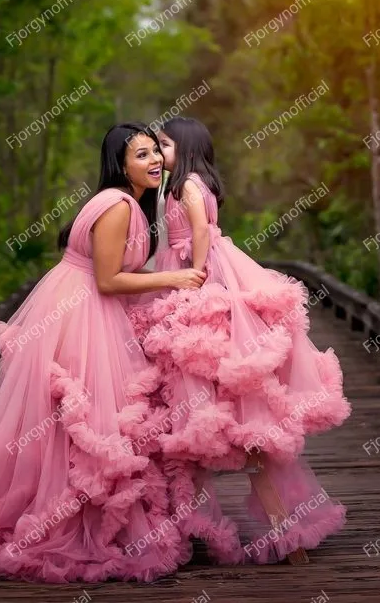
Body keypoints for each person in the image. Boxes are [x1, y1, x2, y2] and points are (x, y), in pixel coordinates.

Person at [0, 122, 205, 584]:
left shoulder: (128, 203)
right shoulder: (117, 206)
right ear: (119, 163)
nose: (154, 160)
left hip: (82, 309)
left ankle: (78, 512)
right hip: (83, 315)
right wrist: (172, 279)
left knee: (77, 424)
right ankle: (68, 523)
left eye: (156, 151)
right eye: (141, 154)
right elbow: (108, 280)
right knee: (90, 418)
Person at [129, 116, 351, 565]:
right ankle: (226, 519)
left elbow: (202, 232)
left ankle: (213, 511)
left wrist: (192, 273)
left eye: (165, 145)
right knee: (204, 379)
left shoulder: (186, 184)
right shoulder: (197, 181)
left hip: (199, 274)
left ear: (185, 147)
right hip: (204, 269)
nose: (159, 153)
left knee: (195, 366)